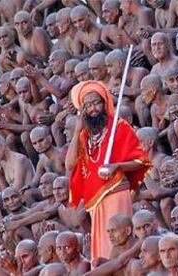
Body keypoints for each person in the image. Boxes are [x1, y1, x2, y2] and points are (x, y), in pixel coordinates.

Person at [67, 81, 151, 260]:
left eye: (96, 102)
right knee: (103, 252)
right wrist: (76, 131)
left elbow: (140, 160)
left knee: (119, 243)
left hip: (116, 192)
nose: (93, 108)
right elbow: (69, 165)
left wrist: (117, 166)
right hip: (95, 202)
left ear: (104, 103)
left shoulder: (118, 126)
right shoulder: (83, 136)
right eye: (87, 105)